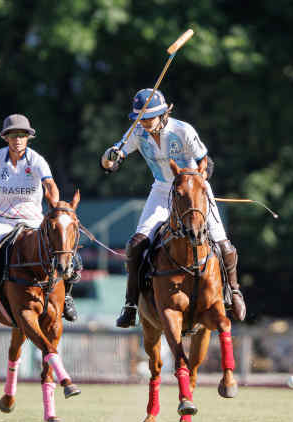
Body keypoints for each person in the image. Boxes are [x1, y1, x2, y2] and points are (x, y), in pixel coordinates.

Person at [101, 89, 246, 328]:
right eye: (141, 118)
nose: (145, 123)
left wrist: (195, 182)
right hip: (161, 191)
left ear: (163, 114)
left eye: (150, 118)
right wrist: (109, 156)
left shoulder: (183, 130)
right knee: (136, 244)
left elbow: (206, 163)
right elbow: (111, 163)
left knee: (222, 243)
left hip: (192, 190)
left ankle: (234, 291)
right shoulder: (138, 131)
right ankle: (130, 305)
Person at [0, 114, 79, 323]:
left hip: (32, 222)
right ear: (5, 138)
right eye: (13, 135)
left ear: (28, 138)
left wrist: (54, 200)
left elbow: (50, 185)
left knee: (71, 258)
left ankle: (66, 296)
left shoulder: (37, 161)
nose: (18, 140)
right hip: (1, 221)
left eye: (22, 135)